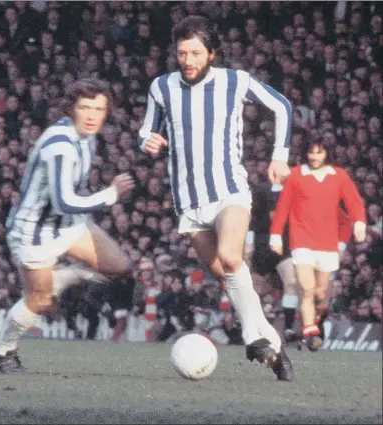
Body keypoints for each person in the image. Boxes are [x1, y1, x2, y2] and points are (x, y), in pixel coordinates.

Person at [139, 15, 294, 381]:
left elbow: (281, 106)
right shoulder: (161, 87)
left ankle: (254, 336)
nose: (187, 60)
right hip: (189, 204)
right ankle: (270, 346)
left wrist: (280, 154)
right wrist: (146, 140)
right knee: (229, 280)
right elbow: (147, 127)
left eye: (195, 52)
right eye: (182, 53)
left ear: (212, 53)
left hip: (229, 190)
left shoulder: (234, 81)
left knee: (230, 257)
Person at [0, 78, 135, 372]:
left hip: (67, 224)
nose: (93, 115)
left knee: (121, 268)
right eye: (85, 107)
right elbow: (63, 202)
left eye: (99, 108)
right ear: (71, 109)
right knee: (39, 300)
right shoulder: (59, 144)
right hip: (34, 232)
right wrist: (110, 195)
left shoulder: (88, 137)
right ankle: (2, 351)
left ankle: (63, 278)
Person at [270, 138, 366, 352]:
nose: (315, 157)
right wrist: (275, 235)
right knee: (306, 288)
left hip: (328, 243)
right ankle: (310, 331)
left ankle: (315, 320)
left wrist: (359, 222)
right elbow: (283, 206)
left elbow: (354, 201)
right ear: (306, 153)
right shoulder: (295, 175)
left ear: (326, 154)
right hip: (301, 239)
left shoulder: (339, 176)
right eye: (311, 152)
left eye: (319, 152)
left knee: (321, 294)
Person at [247, 181, 300, 342]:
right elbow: (253, 217)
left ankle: (289, 328)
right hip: (263, 245)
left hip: (286, 245)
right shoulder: (261, 190)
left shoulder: (295, 189)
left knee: (291, 282)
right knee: (256, 290)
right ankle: (254, 327)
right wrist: (249, 244)